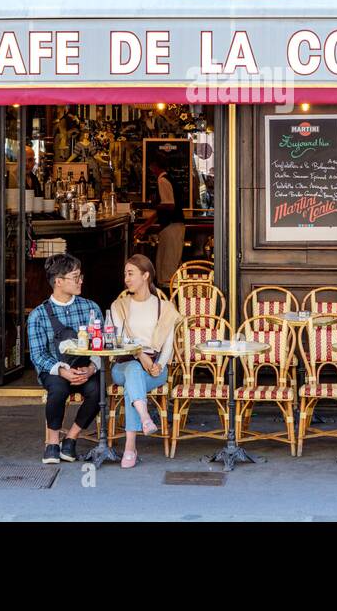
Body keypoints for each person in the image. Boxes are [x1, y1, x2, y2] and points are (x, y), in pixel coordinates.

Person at [26, 253, 103, 465]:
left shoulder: (90, 308)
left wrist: (91, 368)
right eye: (75, 277)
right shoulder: (38, 315)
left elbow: (100, 343)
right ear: (58, 282)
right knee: (58, 390)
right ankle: (52, 442)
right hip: (55, 370)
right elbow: (38, 354)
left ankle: (71, 438)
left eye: (80, 276)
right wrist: (61, 370)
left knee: (98, 391)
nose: (81, 281)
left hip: (84, 368)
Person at [110, 254, 180, 468]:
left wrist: (160, 364)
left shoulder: (165, 308)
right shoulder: (119, 306)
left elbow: (168, 343)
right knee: (133, 369)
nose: (126, 279)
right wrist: (140, 355)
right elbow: (119, 341)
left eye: (130, 274)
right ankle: (144, 415)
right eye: (125, 274)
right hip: (123, 364)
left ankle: (131, 445)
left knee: (134, 384)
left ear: (146, 275)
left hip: (156, 367)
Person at [148, 155, 185, 286]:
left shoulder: (162, 180)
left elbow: (169, 205)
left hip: (171, 227)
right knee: (169, 265)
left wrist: (152, 205)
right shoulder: (169, 178)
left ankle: (170, 301)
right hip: (173, 226)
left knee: (167, 269)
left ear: (154, 166)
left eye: (151, 166)